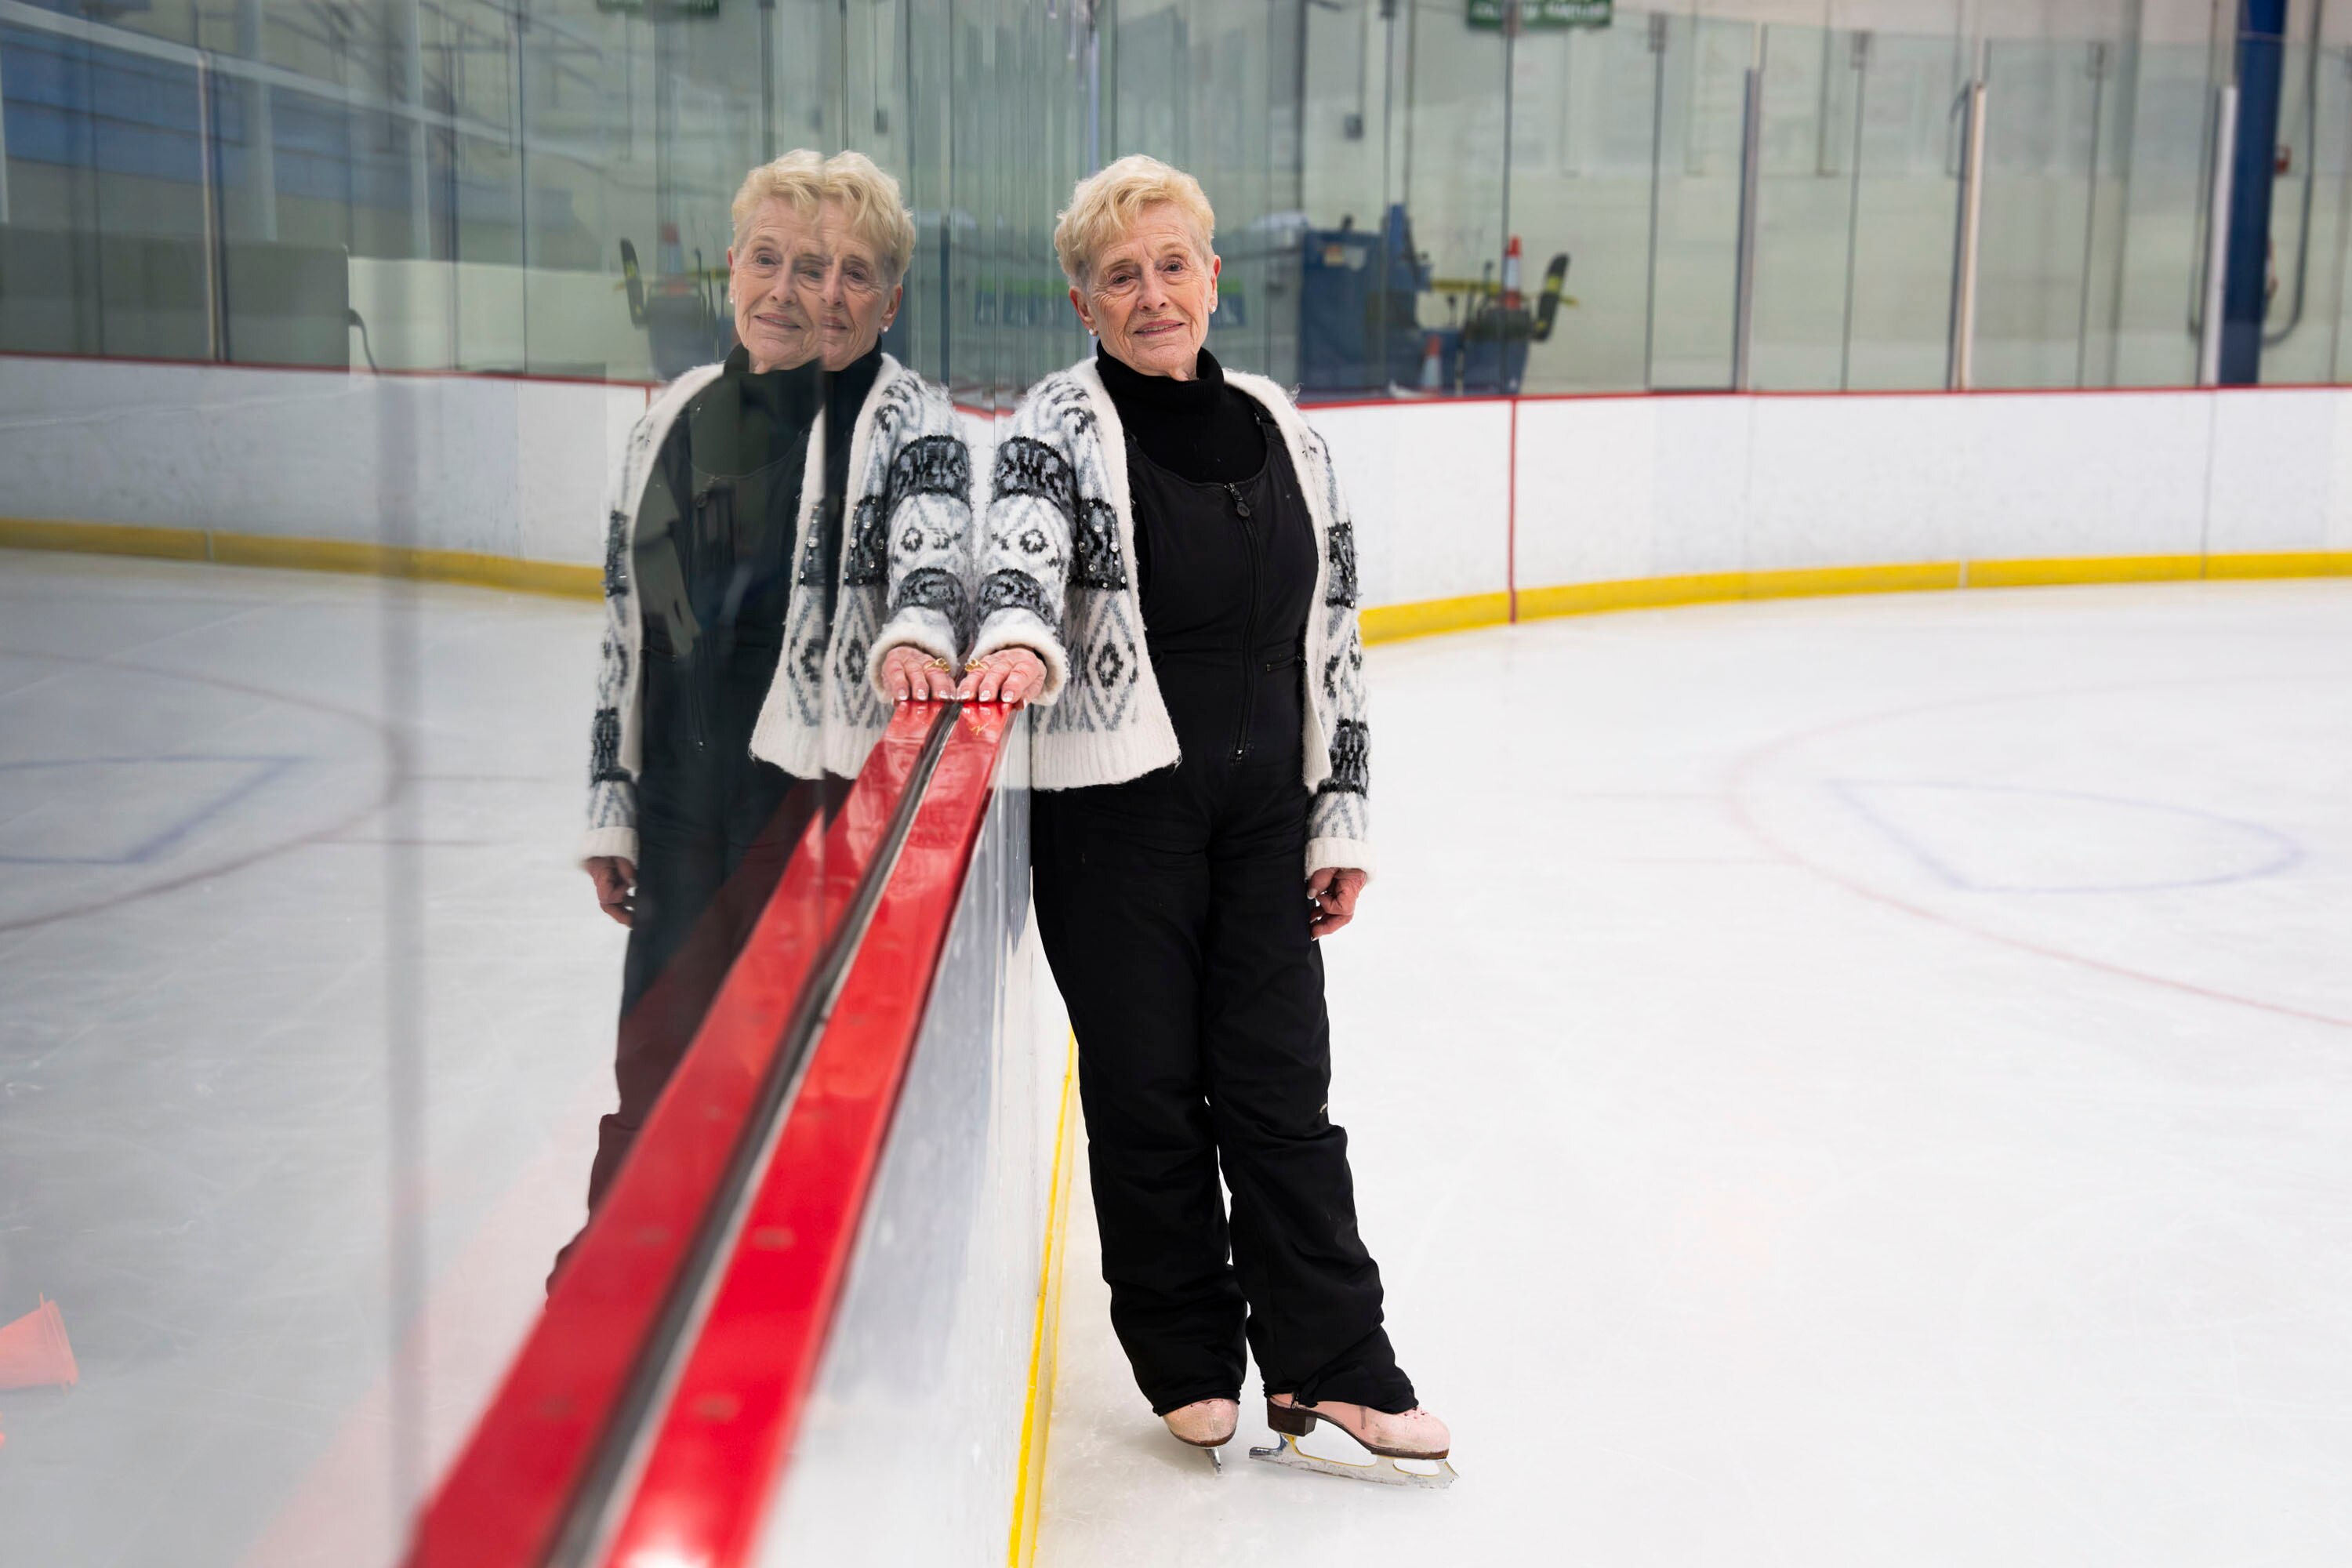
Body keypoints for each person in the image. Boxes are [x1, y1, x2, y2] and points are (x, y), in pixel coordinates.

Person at [951, 154, 1450, 1482]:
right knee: (1151, 1095)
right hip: (1116, 817)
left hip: (1261, 821)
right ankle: (1186, 1357)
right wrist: (1008, 640)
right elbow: (1022, 559)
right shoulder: (1058, 427)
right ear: (1084, 300)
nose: (1153, 292)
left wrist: (1337, 817)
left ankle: (1333, 1366)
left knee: (1285, 1092)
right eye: (1123, 275)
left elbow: (1333, 640)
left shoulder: (1288, 430)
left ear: (1213, 276)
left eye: (1174, 265)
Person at [567, 150, 969, 1271]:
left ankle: (775, 1285)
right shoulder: (676, 416)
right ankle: (623, 1272)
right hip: (683, 797)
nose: (802, 291)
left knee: (798, 1063)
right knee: (657, 1054)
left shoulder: (911, 425)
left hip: (816, 801)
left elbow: (934, 573)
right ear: (729, 269)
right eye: (774, 259)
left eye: (845, 271)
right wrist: (614, 806)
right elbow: (623, 627)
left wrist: (915, 642)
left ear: (889, 299)